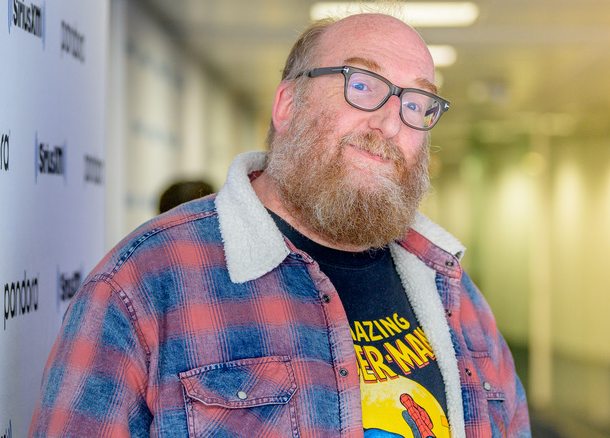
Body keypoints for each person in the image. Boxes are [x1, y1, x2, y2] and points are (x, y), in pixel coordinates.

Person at [29, 12, 530, 438]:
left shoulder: (452, 291)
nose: (391, 123)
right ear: (288, 105)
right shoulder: (142, 287)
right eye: (362, 86)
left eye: (417, 104)